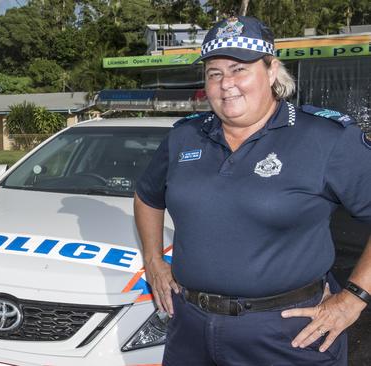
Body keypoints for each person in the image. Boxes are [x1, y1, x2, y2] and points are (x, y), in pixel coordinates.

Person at [134, 16, 371, 365]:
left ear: (272, 70)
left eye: (238, 69)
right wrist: (153, 261)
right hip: (191, 329)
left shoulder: (326, 138)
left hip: (287, 336)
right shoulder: (185, 136)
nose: (226, 84)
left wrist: (354, 298)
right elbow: (147, 197)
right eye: (214, 73)